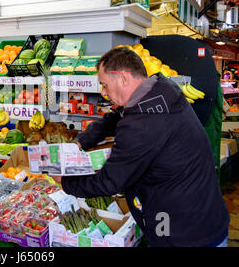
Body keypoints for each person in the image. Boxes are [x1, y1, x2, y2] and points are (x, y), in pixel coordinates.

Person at [52, 47, 230, 247]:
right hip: (202, 215)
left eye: (104, 85)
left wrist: (66, 181)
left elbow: (109, 182)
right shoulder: (161, 88)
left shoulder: (141, 123)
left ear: (123, 78)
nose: (103, 92)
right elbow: (113, 118)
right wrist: (80, 142)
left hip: (186, 234)